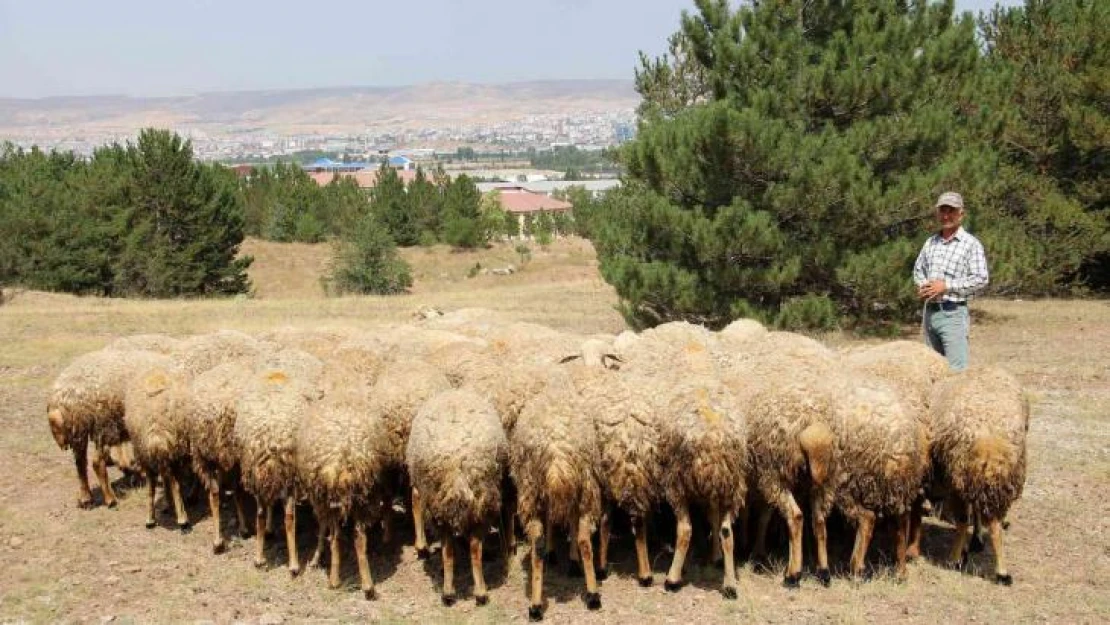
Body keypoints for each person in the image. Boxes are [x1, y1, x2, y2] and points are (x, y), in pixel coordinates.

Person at [913, 191, 989, 371]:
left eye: (951, 211)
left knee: (956, 372)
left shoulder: (970, 244)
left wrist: (946, 286)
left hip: (952, 314)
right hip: (929, 313)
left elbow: (981, 278)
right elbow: (918, 269)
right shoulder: (931, 242)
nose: (946, 216)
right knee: (933, 369)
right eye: (943, 211)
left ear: (961, 214)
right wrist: (923, 285)